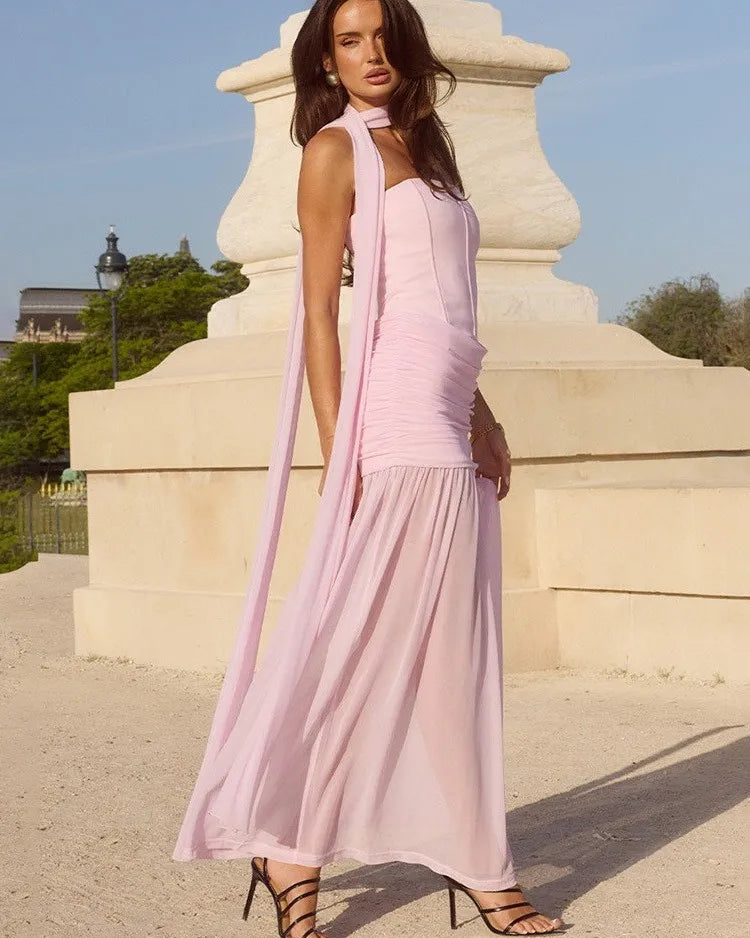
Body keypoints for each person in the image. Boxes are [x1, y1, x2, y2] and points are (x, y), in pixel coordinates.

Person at [172, 1, 565, 936]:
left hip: (450, 409)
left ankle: (473, 854)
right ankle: (292, 846)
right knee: (367, 646)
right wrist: (337, 441)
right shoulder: (332, 150)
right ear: (328, 59)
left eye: (383, 36)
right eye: (350, 41)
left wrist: (484, 416)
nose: (371, 53)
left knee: (454, 655)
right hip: (390, 420)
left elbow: (447, 306)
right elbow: (319, 312)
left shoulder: (430, 146)